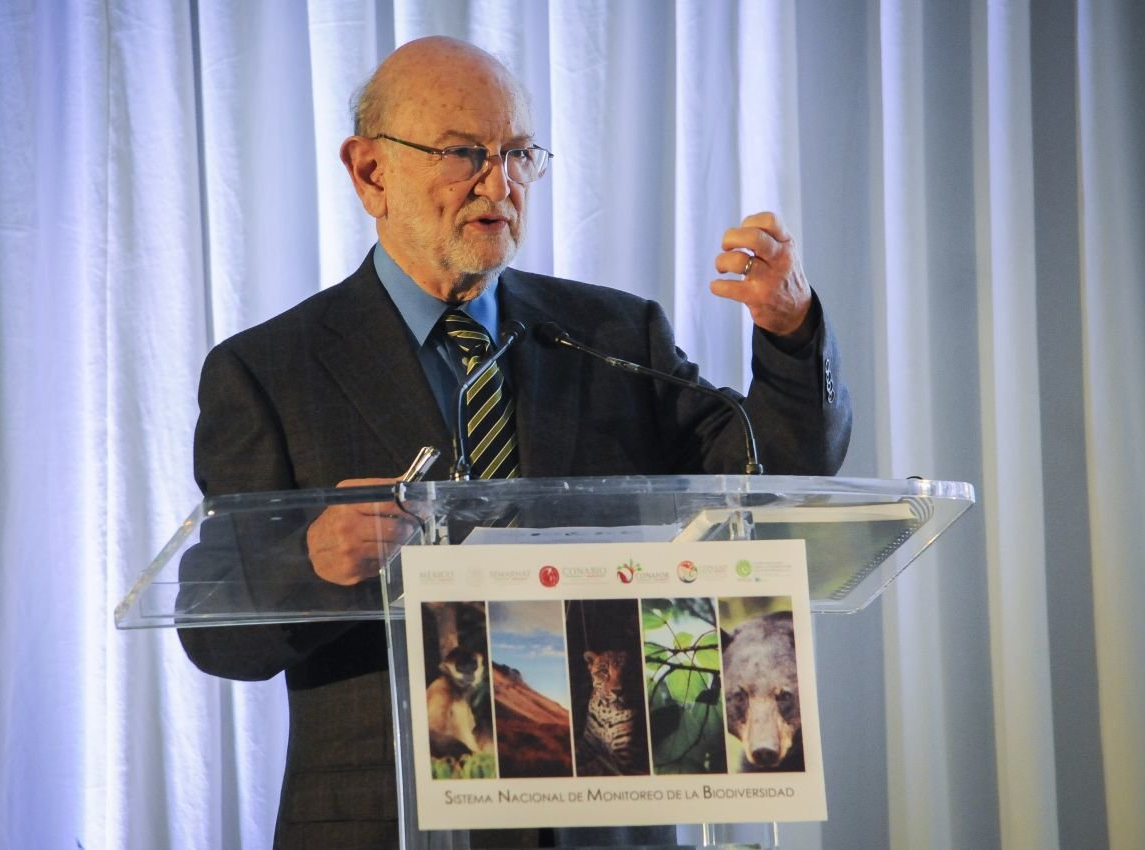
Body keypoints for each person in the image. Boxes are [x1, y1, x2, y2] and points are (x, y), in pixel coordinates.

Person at [179, 35, 850, 849]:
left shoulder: (613, 334)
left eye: (519, 155)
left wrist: (789, 333)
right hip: (386, 821)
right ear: (370, 172)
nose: (500, 185)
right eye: (465, 154)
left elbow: (772, 472)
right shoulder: (269, 370)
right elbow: (213, 628)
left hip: (603, 821)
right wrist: (312, 561)